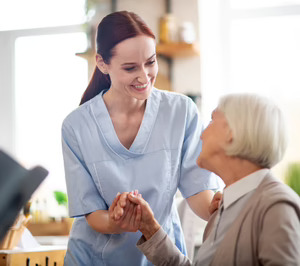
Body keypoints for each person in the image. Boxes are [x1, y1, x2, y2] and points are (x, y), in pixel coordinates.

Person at [61, 11, 220, 265]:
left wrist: (220, 206)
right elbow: (92, 215)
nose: (144, 77)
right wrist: (116, 220)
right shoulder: (76, 126)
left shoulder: (181, 112)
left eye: (151, 62)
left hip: (161, 258)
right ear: (102, 63)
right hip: (93, 259)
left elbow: (199, 193)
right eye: (130, 68)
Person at [119, 93, 300, 266]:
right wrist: (150, 228)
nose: (202, 133)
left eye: (213, 120)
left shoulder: (277, 208)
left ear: (232, 132)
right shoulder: (223, 207)